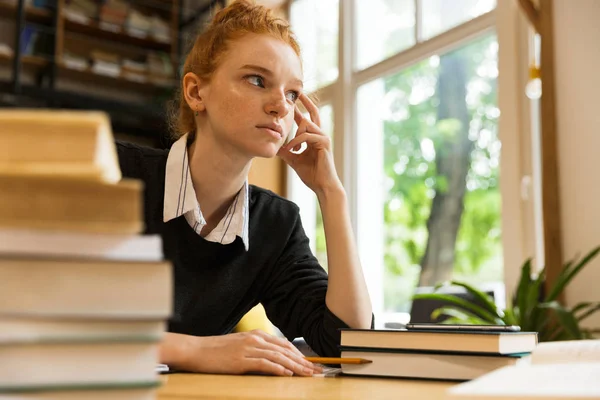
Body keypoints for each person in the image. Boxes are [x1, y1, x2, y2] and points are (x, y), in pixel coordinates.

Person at [117, 0, 372, 377]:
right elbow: (35, 317)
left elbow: (347, 344)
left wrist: (331, 195)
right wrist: (195, 350)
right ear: (196, 92)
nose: (279, 107)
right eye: (257, 80)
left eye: (292, 94)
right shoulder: (115, 174)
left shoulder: (277, 225)